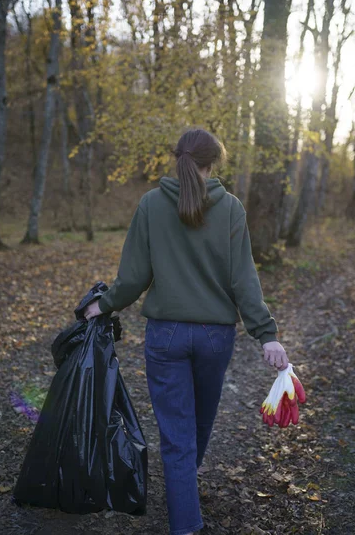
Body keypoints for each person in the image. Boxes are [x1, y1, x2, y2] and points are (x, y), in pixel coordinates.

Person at [84, 128, 289, 535]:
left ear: (178, 158)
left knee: (179, 434)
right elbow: (243, 279)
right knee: (199, 423)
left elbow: (134, 276)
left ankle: (183, 501)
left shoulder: (151, 204)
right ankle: (185, 501)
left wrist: (102, 304)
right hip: (215, 337)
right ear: (214, 162)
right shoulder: (229, 207)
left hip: (166, 336)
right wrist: (266, 333)